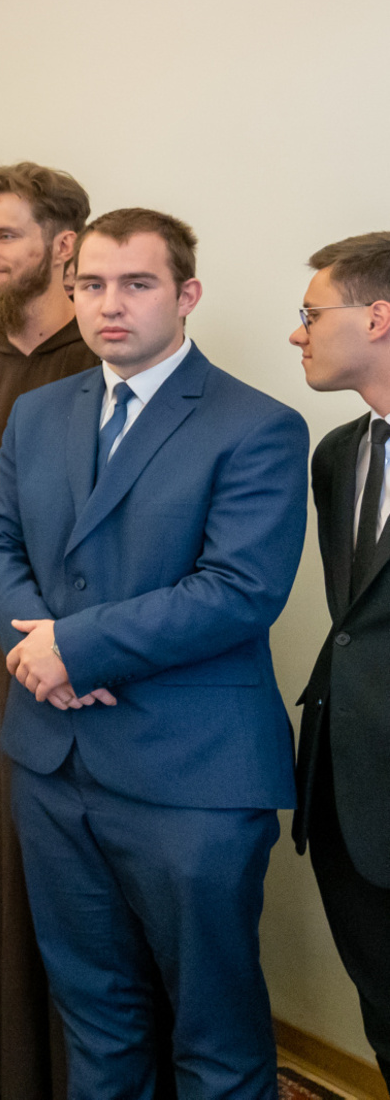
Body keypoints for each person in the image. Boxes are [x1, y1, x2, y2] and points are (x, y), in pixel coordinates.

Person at [0, 208, 306, 1099]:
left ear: (187, 294)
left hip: (192, 774)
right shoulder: (40, 412)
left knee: (215, 1035)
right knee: (97, 1019)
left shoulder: (258, 424)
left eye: (137, 283)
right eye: (90, 284)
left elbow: (238, 589)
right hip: (53, 762)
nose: (109, 304)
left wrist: (76, 650)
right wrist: (40, 651)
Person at [0, 161, 99, 1100]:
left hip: (63, 656)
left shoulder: (95, 361)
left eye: (5, 234)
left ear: (63, 244)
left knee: (56, 875)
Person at [289, 232, 390, 1086]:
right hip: (345, 784)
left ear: (378, 317)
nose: (299, 332)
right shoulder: (337, 454)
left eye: (312, 313)